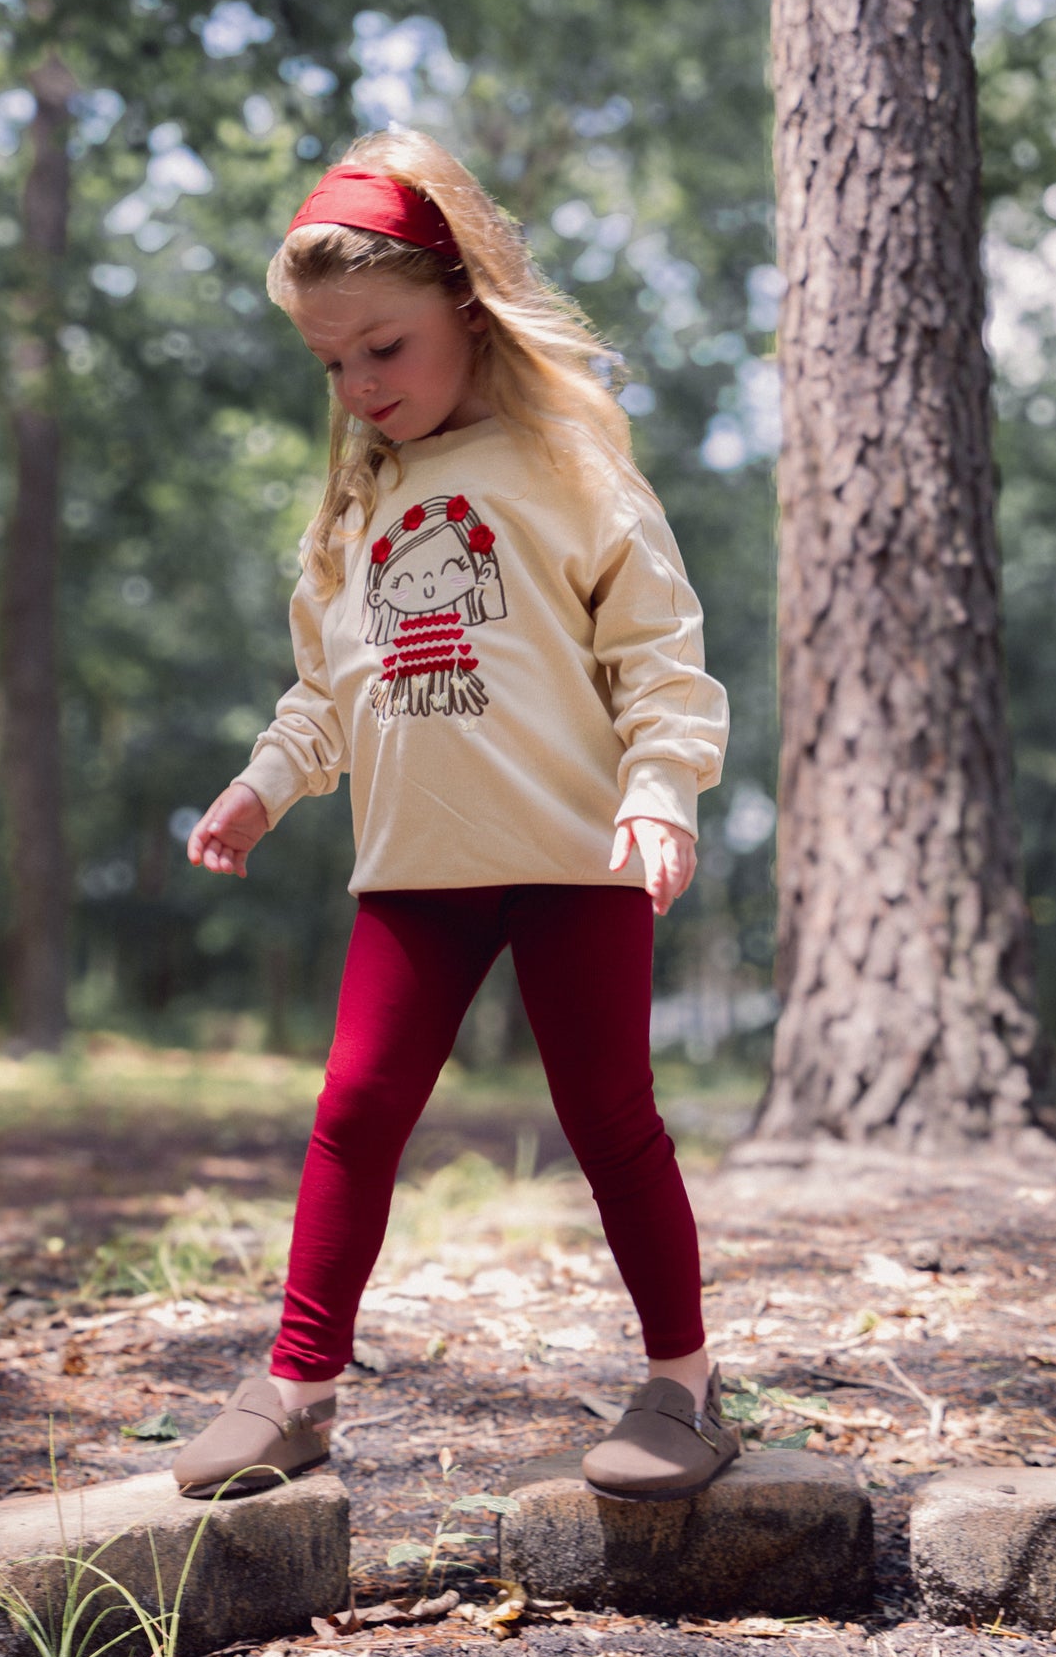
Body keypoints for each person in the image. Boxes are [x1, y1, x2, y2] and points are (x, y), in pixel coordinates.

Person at [173, 130, 733, 1506]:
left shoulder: (572, 469)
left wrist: (662, 796)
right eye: (334, 364)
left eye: (385, 349)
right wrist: (262, 784)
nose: (360, 389)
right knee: (356, 1110)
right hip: (415, 872)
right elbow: (328, 691)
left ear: (466, 309)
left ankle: (687, 1381)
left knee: (611, 1116)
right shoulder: (357, 504)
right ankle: (297, 1387)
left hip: (572, 863)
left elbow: (663, 667)